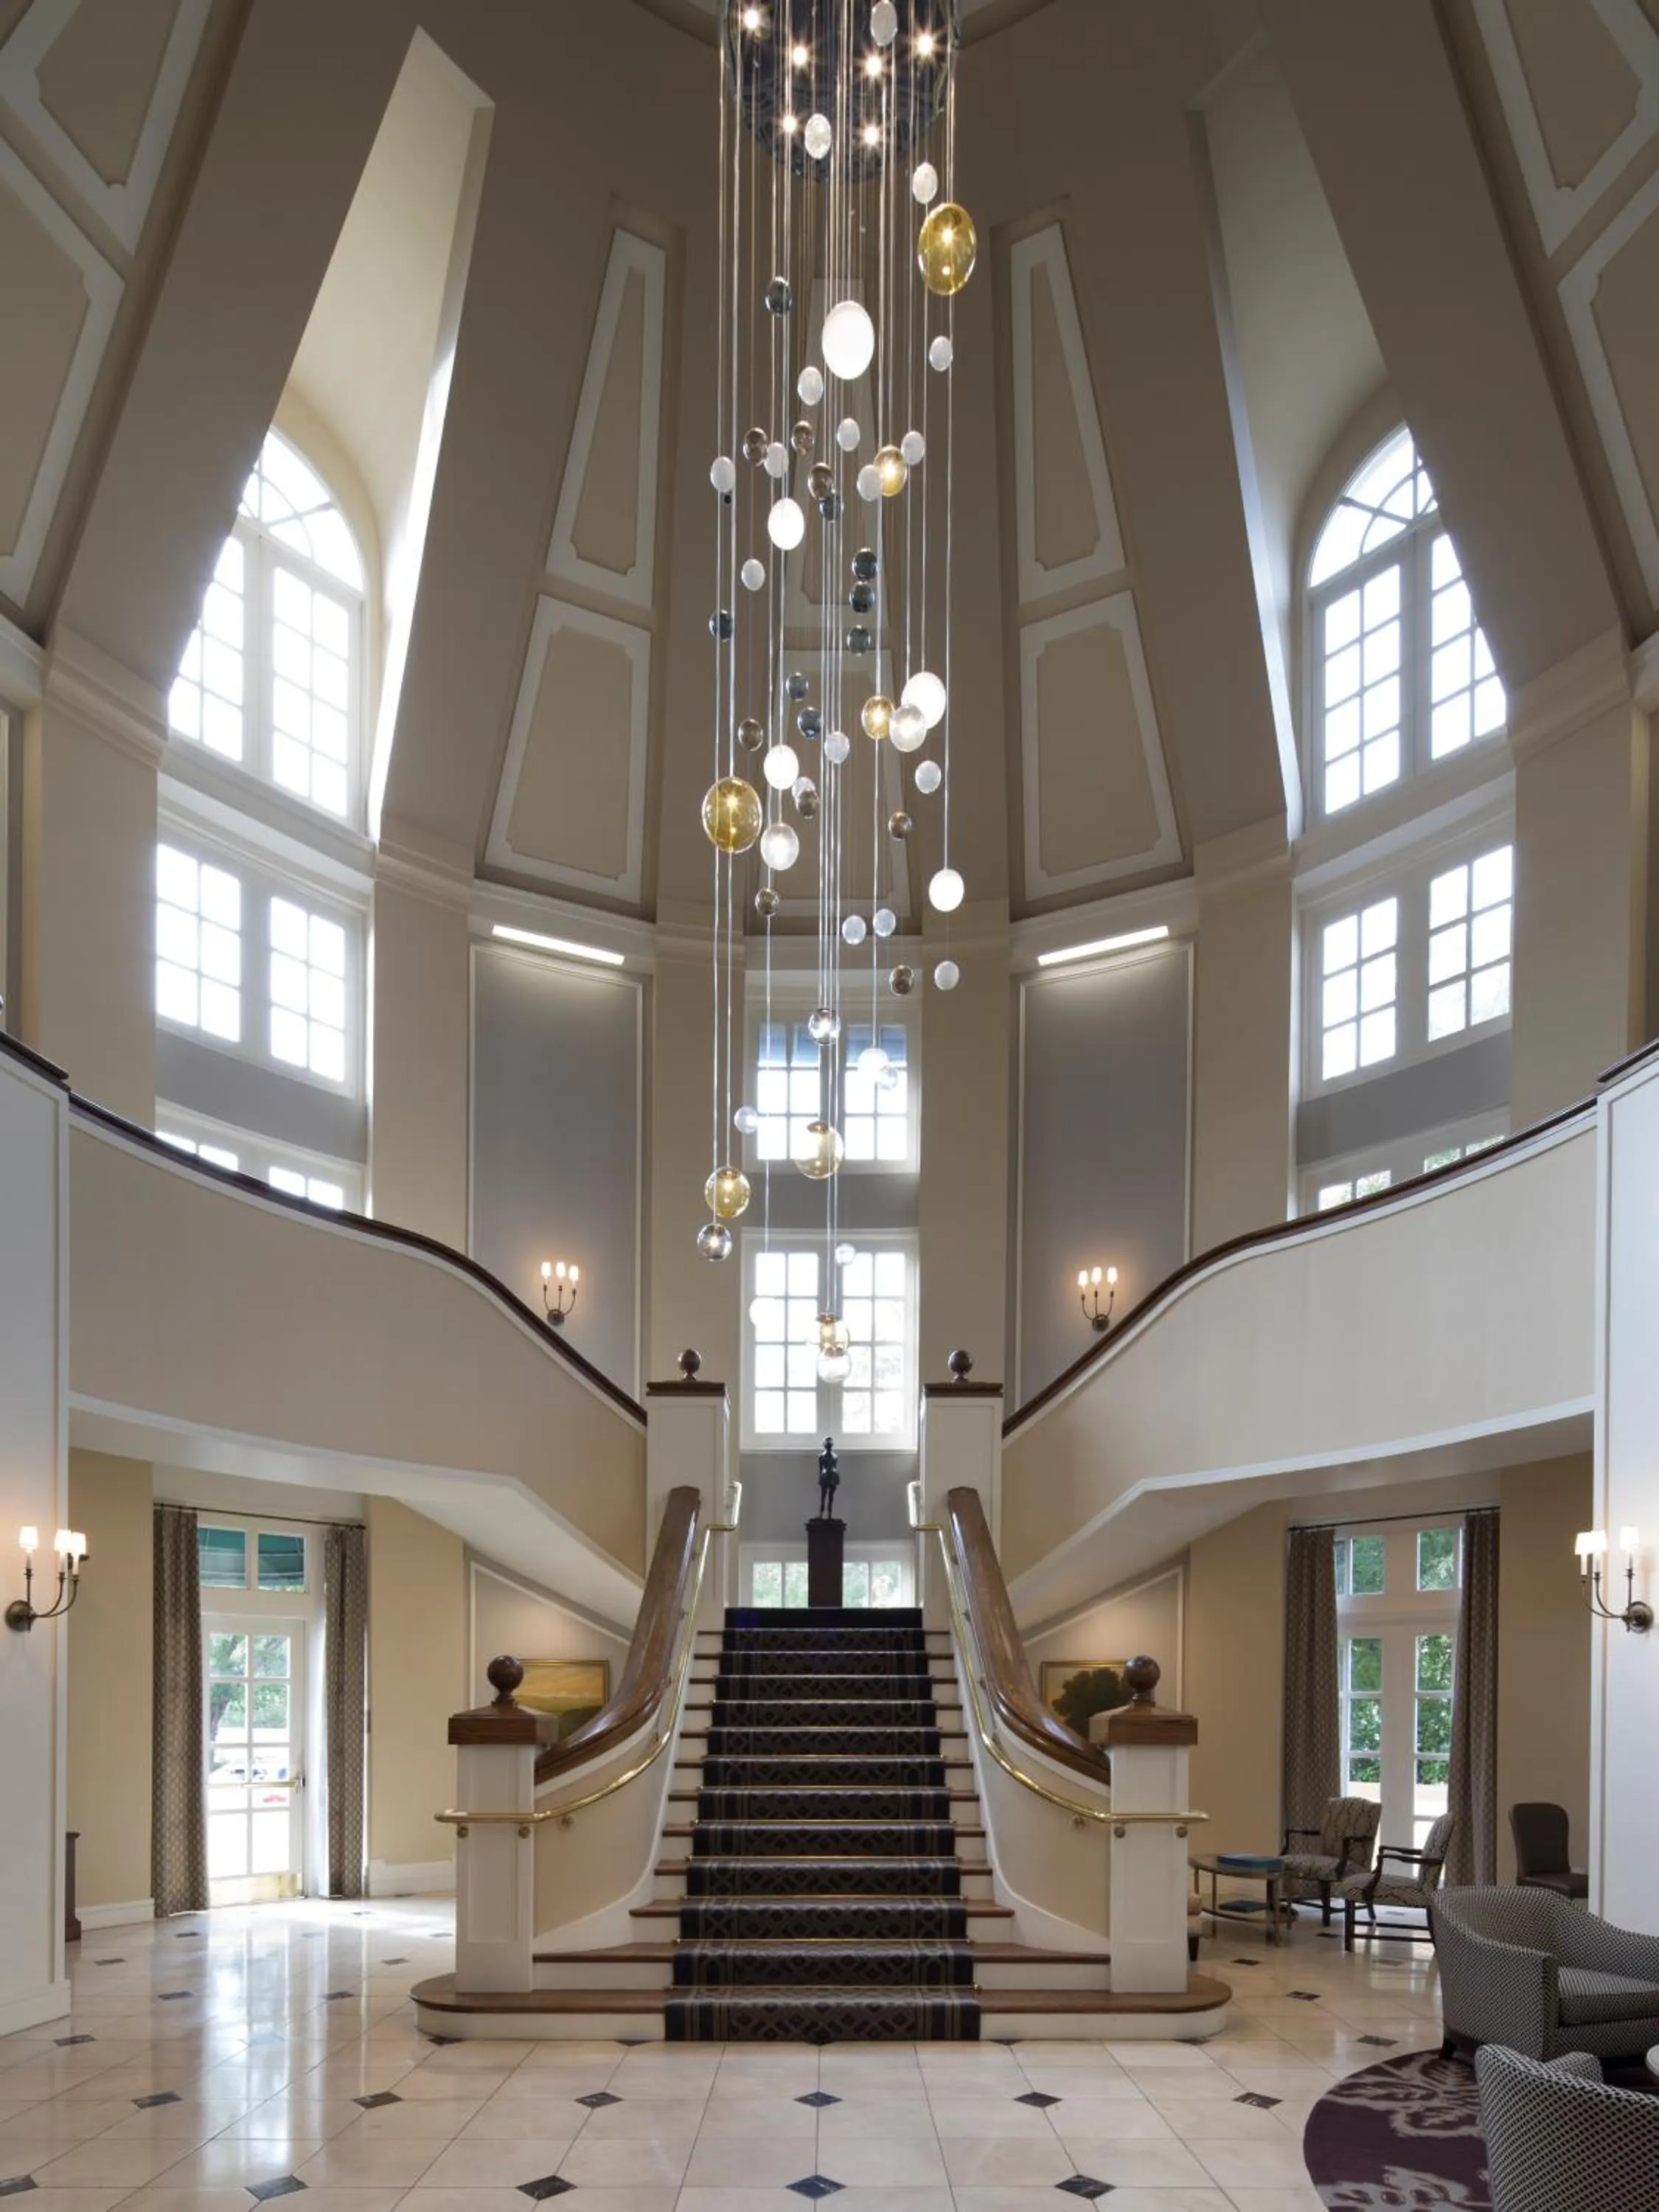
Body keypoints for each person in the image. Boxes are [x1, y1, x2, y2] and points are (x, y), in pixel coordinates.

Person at [817, 1436, 840, 1520]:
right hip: (825, 1476)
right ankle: (821, 1514)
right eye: (827, 1444)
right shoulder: (821, 1456)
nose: (829, 1446)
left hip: (833, 1475)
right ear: (824, 1445)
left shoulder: (835, 1456)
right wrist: (821, 1478)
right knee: (823, 1497)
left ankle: (829, 1515)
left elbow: (835, 1466)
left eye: (830, 1444)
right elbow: (820, 1469)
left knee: (831, 1497)